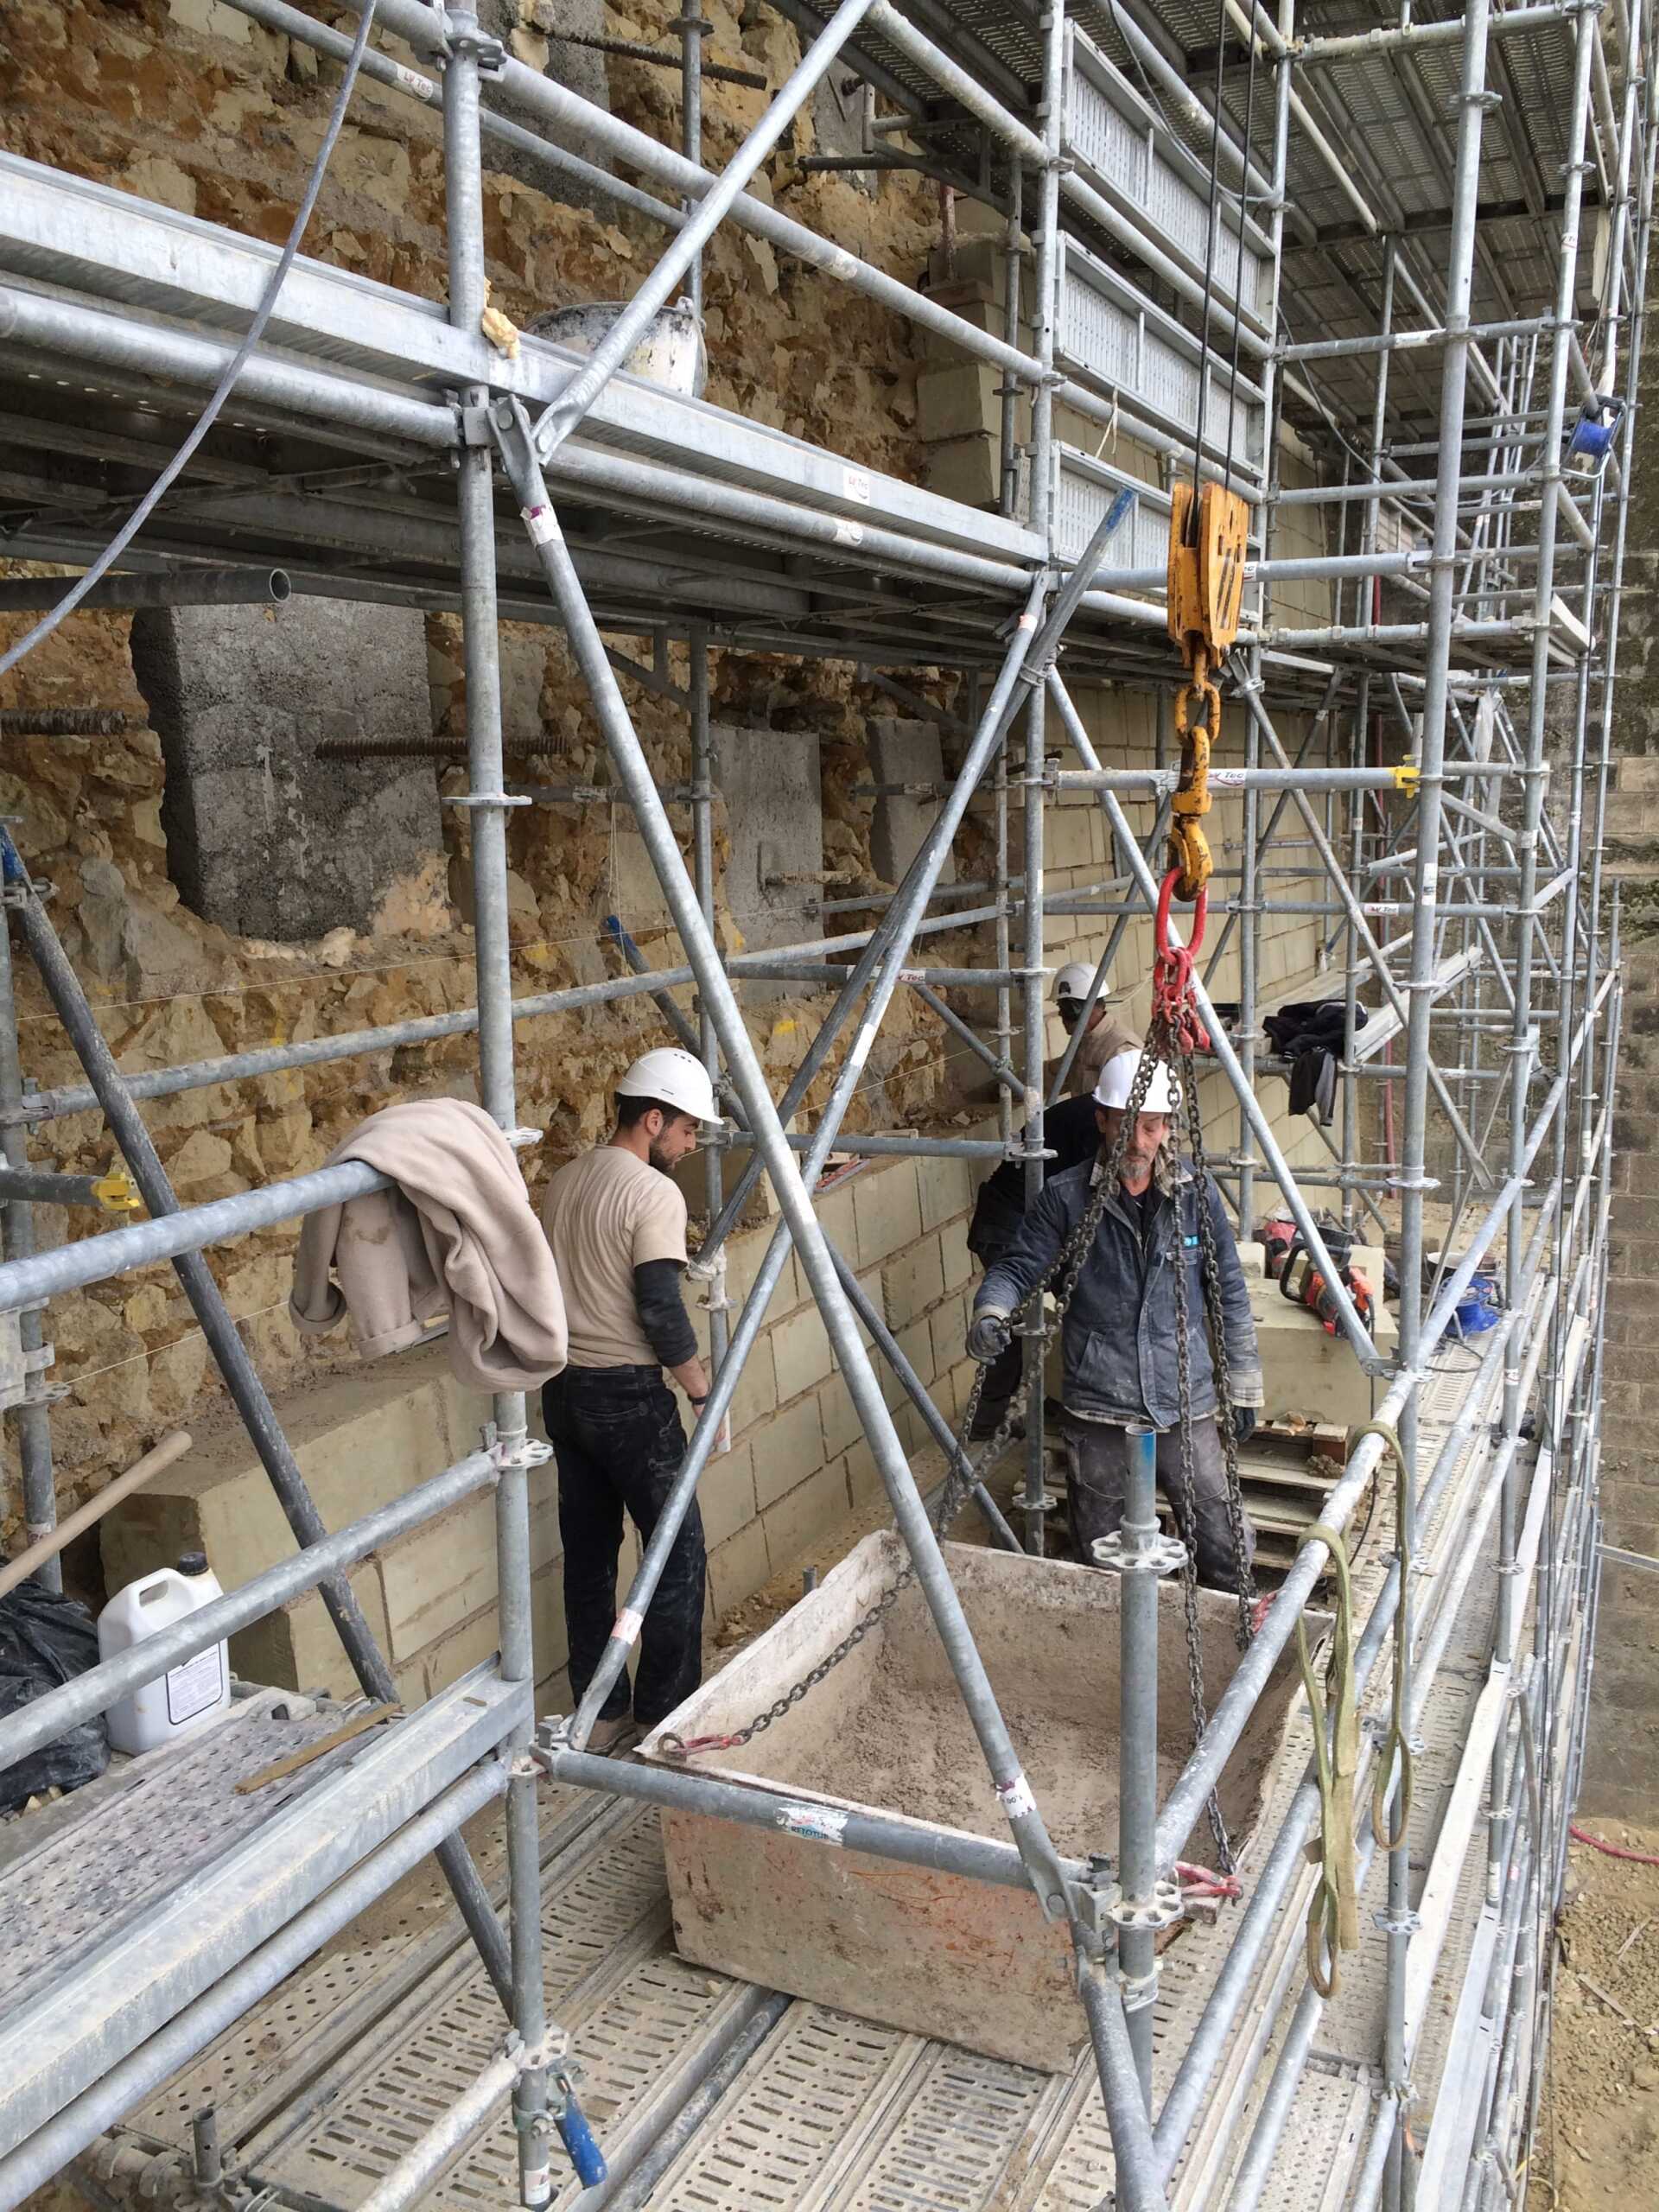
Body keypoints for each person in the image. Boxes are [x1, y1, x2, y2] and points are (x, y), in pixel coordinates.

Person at [966, 1049, 1261, 1591]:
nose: (1138, 1143)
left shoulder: (1196, 1197)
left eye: (1151, 1127)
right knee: (1103, 1556)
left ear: (1167, 1127)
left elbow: (1230, 1293)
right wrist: (993, 1309)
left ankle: (1234, 1633)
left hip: (1184, 1399)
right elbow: (1018, 1267)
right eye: (1126, 1126)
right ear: (1102, 1120)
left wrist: (1243, 1382)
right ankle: (1112, 1641)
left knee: (1224, 1545)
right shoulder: (1065, 1199)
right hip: (1099, 1405)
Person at [541, 1046, 723, 1751]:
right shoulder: (653, 1193)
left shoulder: (564, 1181)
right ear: (653, 1120)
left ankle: (602, 1710)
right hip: (628, 1398)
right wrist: (702, 1392)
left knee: (589, 1559)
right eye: (687, 1129)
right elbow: (660, 1309)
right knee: (676, 1552)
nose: (692, 1143)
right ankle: (662, 1715)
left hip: (563, 1390)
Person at [964, 1089, 1102, 1440]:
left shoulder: (1096, 1113)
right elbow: (1094, 1196)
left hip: (1029, 1220)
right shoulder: (1097, 1125)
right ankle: (987, 1423)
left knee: (1078, 1307)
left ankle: (1060, 1397)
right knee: (1011, 1331)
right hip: (1009, 1226)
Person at [1051, 958, 1142, 1100]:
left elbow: (1128, 1107)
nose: (1060, 1014)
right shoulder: (1086, 1040)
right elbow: (1058, 1072)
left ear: (1074, 1009)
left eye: (1063, 1008)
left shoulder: (1122, 1050)